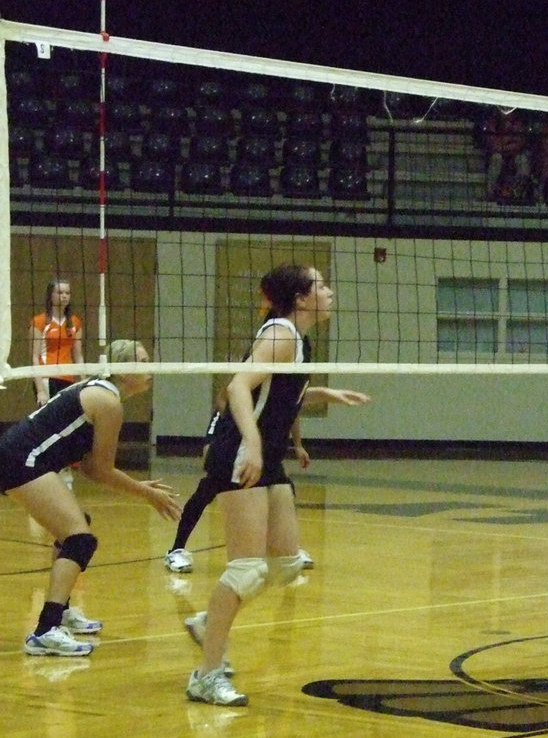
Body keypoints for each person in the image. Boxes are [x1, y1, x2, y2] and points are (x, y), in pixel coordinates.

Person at [184, 265, 370, 706]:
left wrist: (326, 394)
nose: (330, 291)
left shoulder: (298, 340)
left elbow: (280, 391)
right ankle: (207, 676)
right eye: (321, 285)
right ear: (302, 299)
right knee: (246, 568)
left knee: (285, 564)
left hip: (267, 456)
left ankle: (211, 619)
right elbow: (238, 387)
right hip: (243, 453)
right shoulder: (281, 333)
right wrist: (250, 442)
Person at [1, 339, 181, 656]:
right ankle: (46, 630)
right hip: (22, 460)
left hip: (22, 456)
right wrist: (147, 493)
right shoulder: (108, 403)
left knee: (76, 527)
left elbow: (88, 466)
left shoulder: (98, 391)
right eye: (141, 361)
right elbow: (100, 470)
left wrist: (141, 488)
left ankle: (64, 611)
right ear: (124, 371)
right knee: (79, 539)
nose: (149, 367)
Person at [164, 407, 312, 574]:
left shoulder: (279, 397)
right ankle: (176, 550)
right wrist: (216, 462)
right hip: (228, 456)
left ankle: (290, 550)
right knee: (204, 493)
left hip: (259, 455)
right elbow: (210, 443)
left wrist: (298, 445)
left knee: (283, 488)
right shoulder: (231, 404)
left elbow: (292, 412)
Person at [30, 278, 85, 407]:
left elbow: (78, 356)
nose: (64, 296)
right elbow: (34, 357)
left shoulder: (74, 322)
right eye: (60, 293)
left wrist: (84, 382)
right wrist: (40, 391)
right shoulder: (39, 322)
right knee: (50, 422)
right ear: (51, 295)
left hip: (68, 378)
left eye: (67, 293)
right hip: (47, 378)